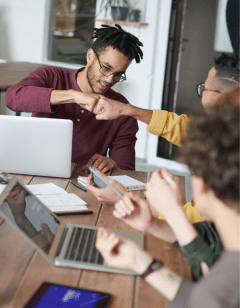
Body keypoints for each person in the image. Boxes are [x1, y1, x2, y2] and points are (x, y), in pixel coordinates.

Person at [95, 104, 239, 307]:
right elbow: (209, 252)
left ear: (206, 184)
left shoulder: (225, 287)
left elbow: (210, 295)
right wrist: (142, 257)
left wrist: (173, 211)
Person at [5, 24, 143, 172]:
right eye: (106, 68)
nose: (110, 80)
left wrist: (112, 164)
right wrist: (73, 96)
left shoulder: (121, 109)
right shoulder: (50, 77)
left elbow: (126, 170)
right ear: (90, 56)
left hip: (83, 183)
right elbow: (13, 97)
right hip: (34, 171)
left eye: (118, 74)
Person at [92, 52, 239, 146]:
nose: (202, 92)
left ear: (226, 97)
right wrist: (127, 109)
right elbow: (181, 127)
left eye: (205, 88)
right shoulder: (222, 127)